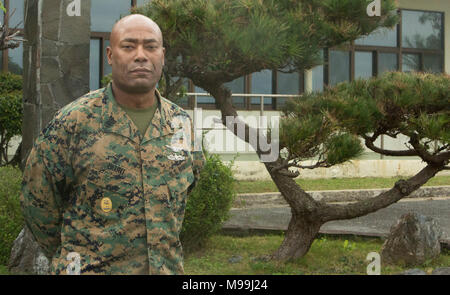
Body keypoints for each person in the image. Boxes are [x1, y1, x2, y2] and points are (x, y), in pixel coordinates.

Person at [20, 14, 205, 275]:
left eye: (150, 47)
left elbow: (186, 189)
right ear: (109, 55)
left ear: (162, 55)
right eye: (128, 46)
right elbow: (37, 203)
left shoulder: (180, 124)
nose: (140, 56)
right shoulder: (74, 122)